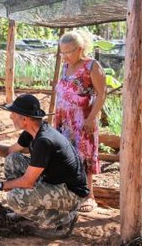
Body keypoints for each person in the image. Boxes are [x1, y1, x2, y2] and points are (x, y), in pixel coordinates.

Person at [0, 94, 89, 239]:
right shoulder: (31, 133)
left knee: (14, 198)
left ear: (25, 119)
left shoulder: (44, 141)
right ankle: (26, 209)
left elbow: (28, 182)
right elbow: (7, 152)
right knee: (13, 159)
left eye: (14, 114)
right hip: (53, 182)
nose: (11, 117)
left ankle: (63, 221)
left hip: (71, 193)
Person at [55, 30, 106, 212]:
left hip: (82, 120)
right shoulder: (65, 67)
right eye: (63, 52)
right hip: (64, 120)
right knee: (65, 156)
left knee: (84, 156)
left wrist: (92, 118)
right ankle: (69, 194)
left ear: (80, 49)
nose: (65, 56)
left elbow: (101, 94)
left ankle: (88, 196)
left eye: (68, 51)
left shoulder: (92, 66)